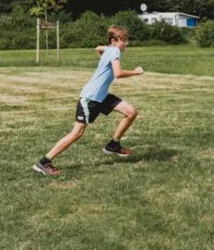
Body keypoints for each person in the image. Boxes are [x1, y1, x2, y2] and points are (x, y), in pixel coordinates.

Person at [32, 25, 144, 176]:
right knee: (77, 132)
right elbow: (117, 73)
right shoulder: (115, 50)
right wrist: (136, 72)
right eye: (123, 40)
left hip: (102, 96)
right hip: (90, 98)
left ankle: (113, 145)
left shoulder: (111, 49)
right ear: (114, 41)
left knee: (131, 112)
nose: (127, 43)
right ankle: (44, 162)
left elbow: (97, 48)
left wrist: (108, 50)